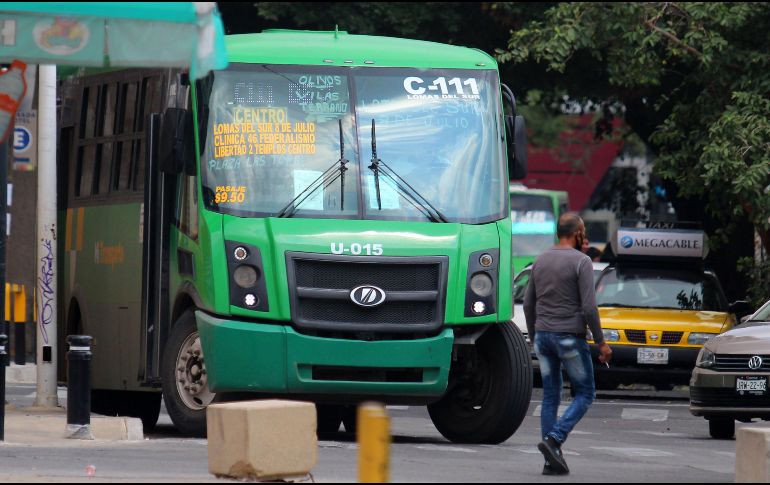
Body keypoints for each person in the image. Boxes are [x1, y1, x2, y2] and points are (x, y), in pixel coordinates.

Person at [523, 212, 612, 476]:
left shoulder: (540, 260)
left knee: (551, 395)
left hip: (543, 336)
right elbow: (588, 307)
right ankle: (554, 439)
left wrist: (535, 336)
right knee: (585, 393)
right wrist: (602, 343)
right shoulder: (582, 261)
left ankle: (551, 461)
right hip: (569, 337)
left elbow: (528, 304)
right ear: (577, 233)